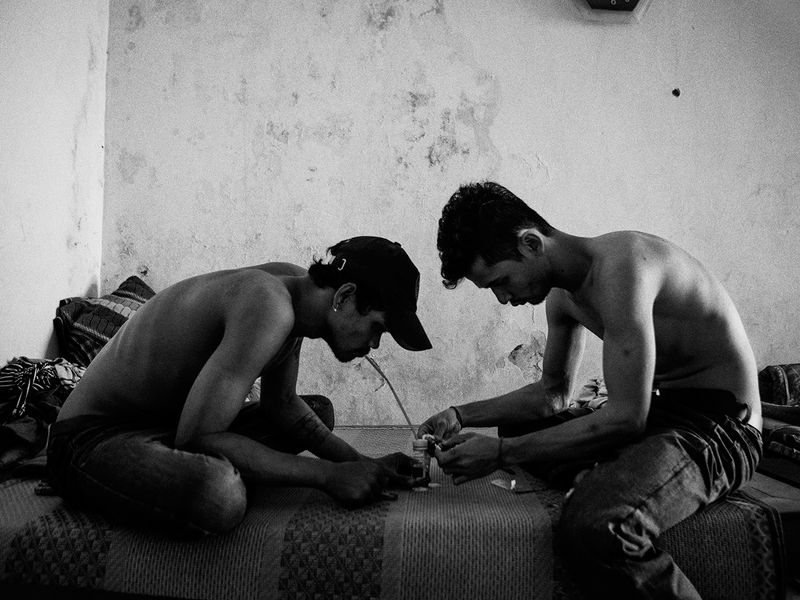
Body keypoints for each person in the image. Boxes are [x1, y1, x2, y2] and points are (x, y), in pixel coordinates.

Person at [418, 182, 762, 599]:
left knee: (595, 527)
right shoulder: (561, 297)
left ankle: (610, 482)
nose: (503, 297)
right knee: (516, 430)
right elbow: (552, 396)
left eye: (500, 281)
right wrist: (460, 414)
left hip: (721, 426)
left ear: (530, 243)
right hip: (662, 414)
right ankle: (612, 474)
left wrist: (500, 456)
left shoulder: (625, 266)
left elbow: (626, 419)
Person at [47, 236, 432, 535]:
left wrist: (362, 463)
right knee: (220, 496)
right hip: (89, 439)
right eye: (378, 327)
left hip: (165, 427)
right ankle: (96, 481)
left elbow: (280, 404)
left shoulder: (295, 288)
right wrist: (327, 476)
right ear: (345, 296)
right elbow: (196, 437)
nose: (375, 345)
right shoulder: (269, 304)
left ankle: (167, 472)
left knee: (318, 412)